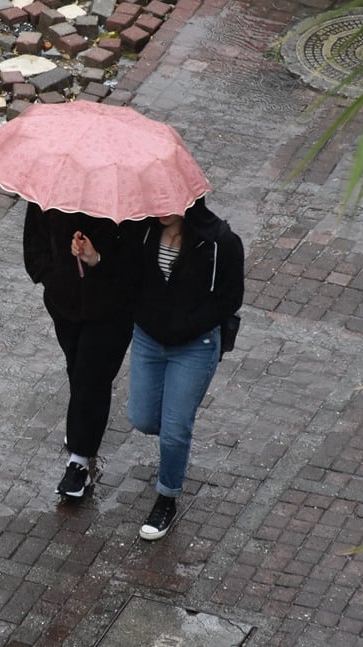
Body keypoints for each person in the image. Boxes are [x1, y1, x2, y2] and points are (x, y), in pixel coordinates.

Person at [126, 197, 244, 539]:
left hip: (195, 346)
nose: (159, 207)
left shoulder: (221, 242)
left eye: (168, 199)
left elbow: (230, 298)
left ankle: (167, 496)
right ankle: (173, 448)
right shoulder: (143, 232)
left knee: (176, 429)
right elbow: (127, 277)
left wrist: (186, 324)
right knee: (144, 418)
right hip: (148, 339)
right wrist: (94, 258)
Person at [23, 202, 140, 498]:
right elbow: (35, 240)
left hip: (112, 310)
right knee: (78, 369)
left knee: (92, 375)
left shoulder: (125, 202)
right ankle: (82, 423)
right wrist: (50, 277)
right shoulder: (53, 190)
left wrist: (96, 258)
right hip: (65, 304)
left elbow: (134, 263)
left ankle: (79, 460)